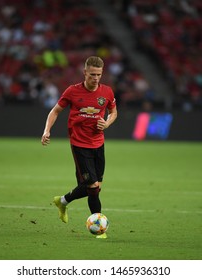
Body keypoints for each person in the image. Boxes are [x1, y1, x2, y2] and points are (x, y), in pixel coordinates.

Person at [41, 56, 117, 239]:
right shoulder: (72, 91)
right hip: (79, 144)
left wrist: (107, 124)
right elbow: (55, 111)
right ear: (85, 73)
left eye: (99, 74)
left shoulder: (106, 92)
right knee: (92, 185)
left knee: (94, 188)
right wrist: (47, 130)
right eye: (92, 74)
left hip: (98, 143)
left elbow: (113, 112)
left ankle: (62, 201)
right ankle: (100, 230)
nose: (96, 78)